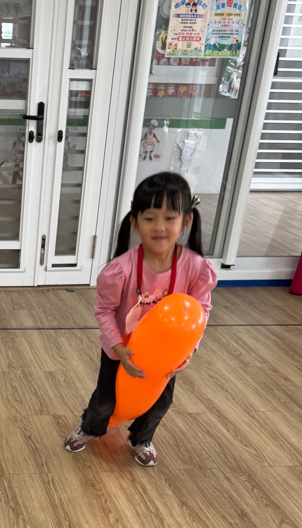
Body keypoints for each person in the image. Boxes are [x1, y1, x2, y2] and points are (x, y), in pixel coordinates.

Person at [63, 172, 216, 466]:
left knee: (161, 401)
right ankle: (89, 427)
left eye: (169, 218)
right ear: (135, 222)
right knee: (106, 401)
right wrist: (119, 348)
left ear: (185, 221)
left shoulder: (197, 268)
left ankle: (141, 438)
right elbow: (104, 310)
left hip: (165, 356)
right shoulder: (121, 269)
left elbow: (201, 311)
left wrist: (190, 350)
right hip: (120, 350)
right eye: (149, 218)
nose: (159, 227)